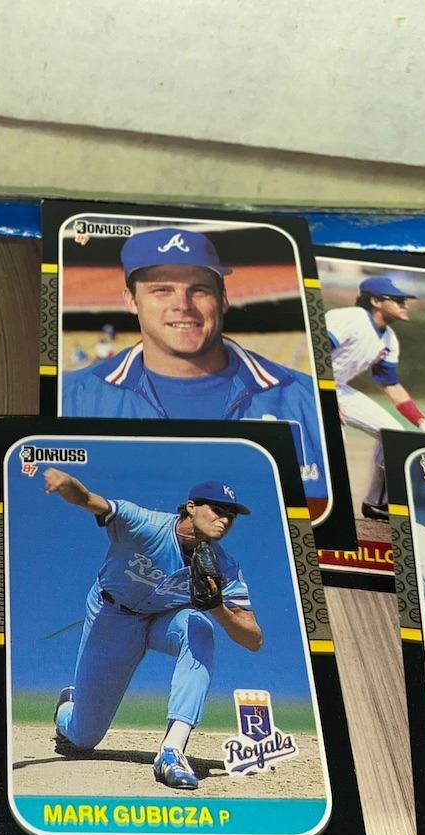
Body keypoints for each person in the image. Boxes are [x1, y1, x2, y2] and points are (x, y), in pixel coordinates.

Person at [62, 227, 326, 502]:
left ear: (223, 299)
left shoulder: (308, 398)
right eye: (162, 290)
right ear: (131, 301)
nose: (183, 305)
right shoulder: (70, 398)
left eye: (199, 290)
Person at [42, 470, 263, 791]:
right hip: (113, 616)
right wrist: (67, 485)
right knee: (83, 737)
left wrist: (218, 608)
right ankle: (68, 705)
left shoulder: (223, 565)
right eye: (217, 510)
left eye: (231, 515)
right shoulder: (145, 525)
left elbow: (253, 639)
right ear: (191, 507)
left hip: (163, 620)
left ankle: (172, 751)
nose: (225, 520)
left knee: (200, 628)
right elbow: (90, 500)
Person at [326, 274, 425, 521]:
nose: (405, 304)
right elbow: (312, 354)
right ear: (376, 301)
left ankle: (377, 503)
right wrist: (325, 399)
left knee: (393, 436)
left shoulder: (389, 338)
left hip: (337, 388)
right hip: (304, 382)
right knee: (332, 438)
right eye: (398, 300)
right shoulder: (349, 319)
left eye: (405, 300)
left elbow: (390, 384)